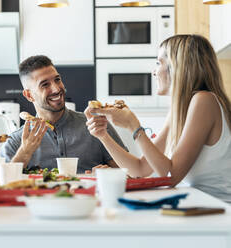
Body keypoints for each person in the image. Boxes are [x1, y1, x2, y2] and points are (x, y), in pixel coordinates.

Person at [85, 34, 231, 203]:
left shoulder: (204, 101)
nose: (154, 71)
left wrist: (134, 126)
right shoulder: (181, 109)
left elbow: (171, 175)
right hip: (196, 203)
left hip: (219, 211)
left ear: (177, 67)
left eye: (158, 63)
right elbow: (140, 169)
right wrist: (103, 135)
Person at [1, 55, 127, 173]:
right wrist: (25, 153)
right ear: (29, 95)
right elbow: (3, 187)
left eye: (57, 80)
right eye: (45, 84)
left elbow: (131, 173)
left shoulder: (96, 126)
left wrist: (108, 174)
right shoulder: (16, 142)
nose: (56, 89)